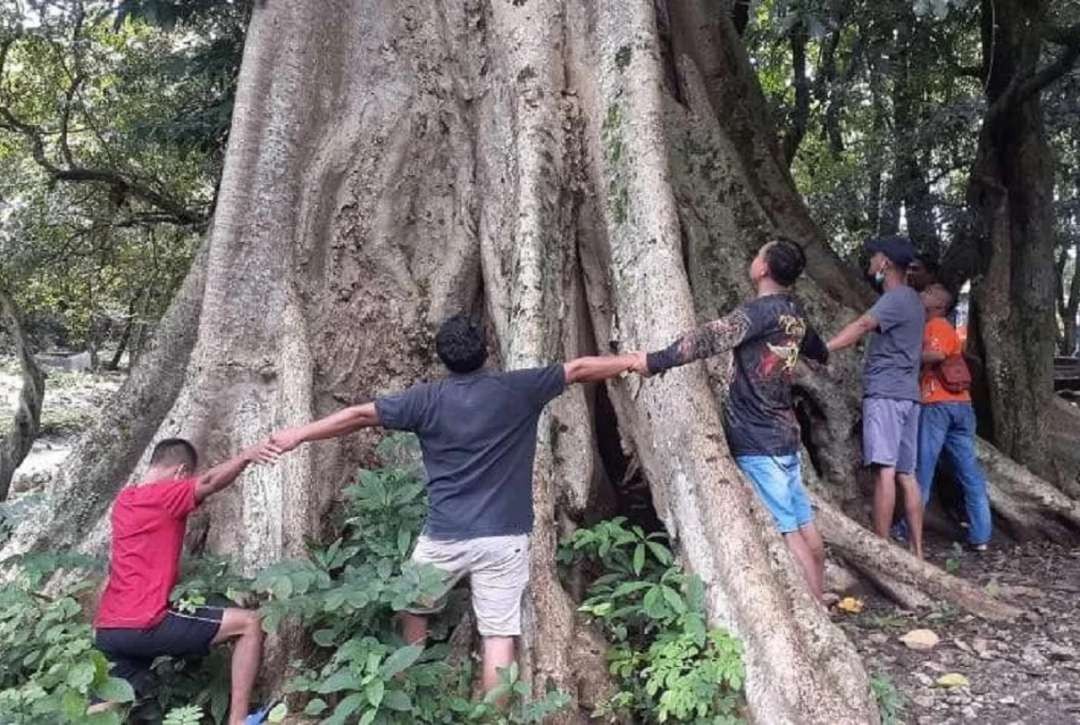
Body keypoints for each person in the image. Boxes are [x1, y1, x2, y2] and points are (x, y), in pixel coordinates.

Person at [264, 314, 639, 693]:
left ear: (442, 358)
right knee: (497, 636)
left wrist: (299, 434)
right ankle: (495, 720)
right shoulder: (519, 389)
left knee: (412, 605)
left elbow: (360, 415)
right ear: (486, 350)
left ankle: (408, 690)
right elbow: (577, 368)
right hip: (505, 538)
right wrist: (637, 361)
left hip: (444, 538)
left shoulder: (425, 400)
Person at [631, 239, 829, 601]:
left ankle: (814, 606)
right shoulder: (793, 313)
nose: (753, 258)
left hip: (758, 437)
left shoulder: (759, 312)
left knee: (788, 530)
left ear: (764, 268)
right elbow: (819, 350)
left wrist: (655, 361)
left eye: (757, 253)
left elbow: (709, 339)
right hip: (785, 434)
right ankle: (821, 590)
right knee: (803, 522)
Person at [93, 438, 272, 725]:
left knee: (105, 705)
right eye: (186, 478)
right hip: (145, 622)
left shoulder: (124, 500)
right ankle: (238, 721)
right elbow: (210, 481)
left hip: (109, 629)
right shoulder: (166, 496)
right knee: (250, 623)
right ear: (179, 473)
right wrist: (246, 456)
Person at [827, 235, 926, 558]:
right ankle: (918, 551)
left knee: (885, 470)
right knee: (906, 474)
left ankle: (883, 552)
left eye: (873, 257)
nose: (869, 263)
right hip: (909, 396)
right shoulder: (913, 300)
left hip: (886, 394)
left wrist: (823, 348)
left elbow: (862, 324)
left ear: (884, 263)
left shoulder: (896, 298)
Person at [915, 283, 992, 550]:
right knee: (969, 472)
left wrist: (904, 353)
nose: (923, 292)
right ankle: (981, 535)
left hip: (938, 404)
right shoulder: (941, 325)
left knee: (922, 469)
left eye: (930, 292)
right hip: (961, 406)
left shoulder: (937, 325)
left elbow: (936, 354)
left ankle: (908, 529)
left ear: (939, 305)